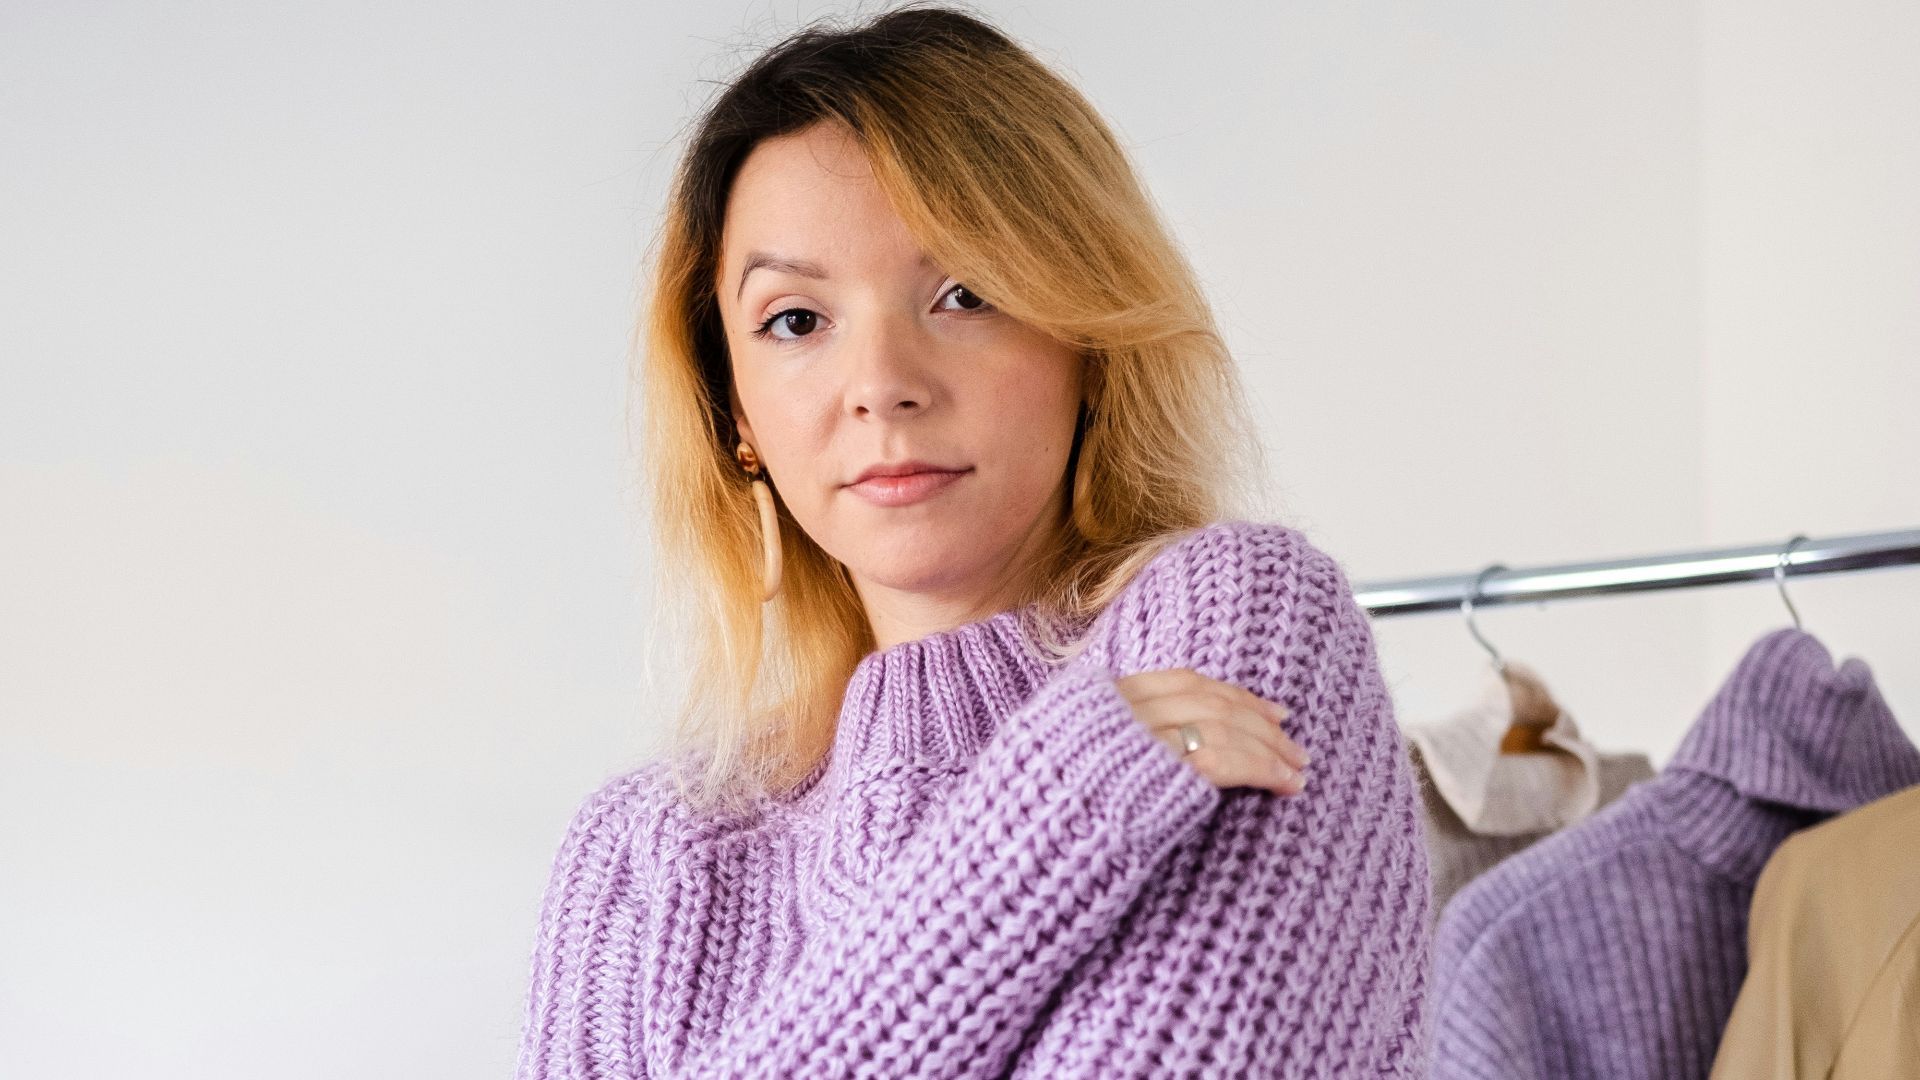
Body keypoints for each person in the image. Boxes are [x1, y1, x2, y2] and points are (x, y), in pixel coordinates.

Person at [515, 4, 1433, 1077]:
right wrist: (1039, 833)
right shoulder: (648, 859)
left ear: (1087, 334)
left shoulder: (1234, 634)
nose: (883, 386)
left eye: (966, 293)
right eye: (796, 321)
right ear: (735, 413)